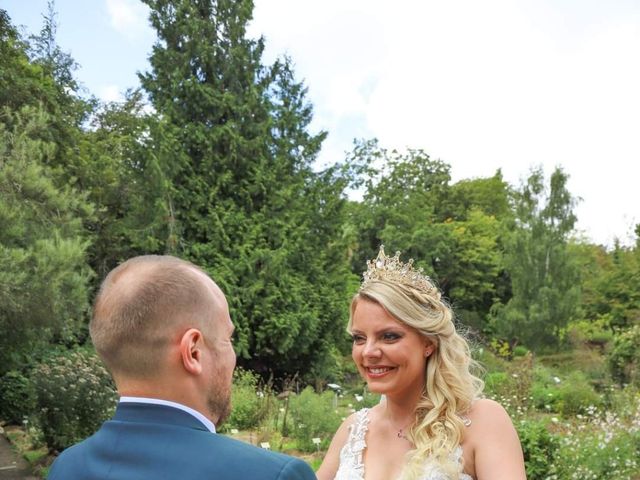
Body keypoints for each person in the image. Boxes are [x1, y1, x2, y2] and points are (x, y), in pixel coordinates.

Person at [48, 255, 316, 480]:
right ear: (193, 351)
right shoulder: (273, 475)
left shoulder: (66, 468)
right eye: (227, 339)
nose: (233, 355)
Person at [317, 246, 526, 480]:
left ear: (428, 342)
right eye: (359, 338)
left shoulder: (482, 421)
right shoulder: (352, 431)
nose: (369, 352)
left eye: (389, 336)